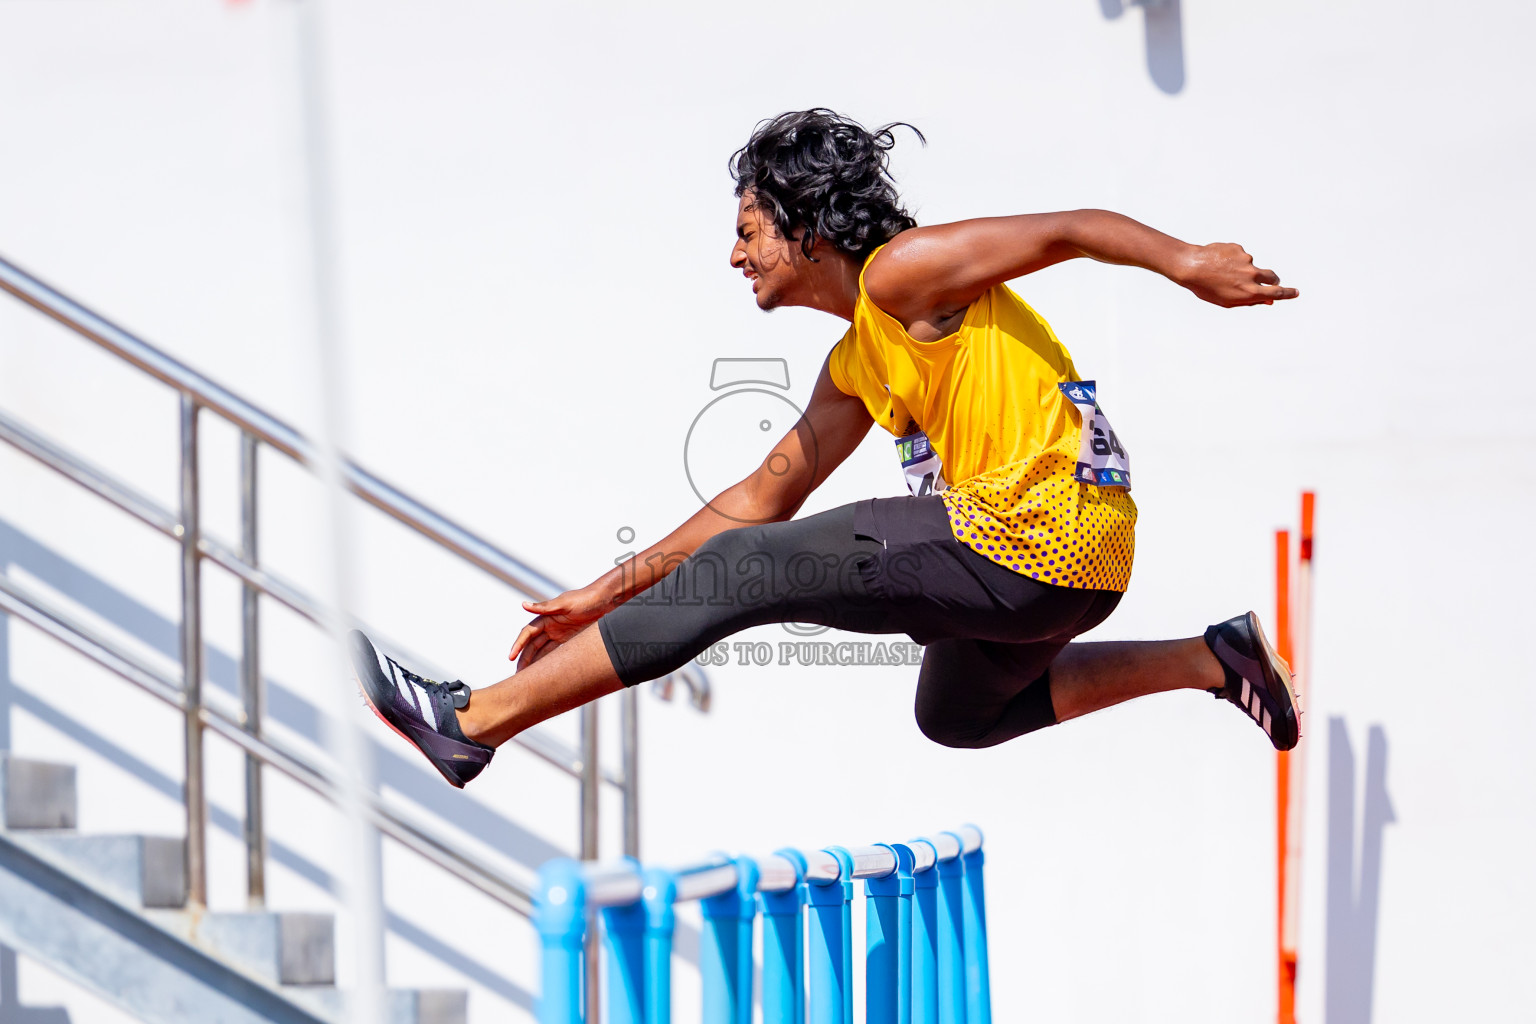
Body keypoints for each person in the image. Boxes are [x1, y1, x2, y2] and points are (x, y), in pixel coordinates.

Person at [348, 109, 1301, 790]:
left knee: (744, 574)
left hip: (1034, 536)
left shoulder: (904, 272)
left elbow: (1066, 230)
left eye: (748, 231)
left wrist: (1187, 262)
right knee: (954, 717)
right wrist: (608, 589)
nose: (735, 257)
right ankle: (1214, 660)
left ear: (807, 226)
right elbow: (762, 496)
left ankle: (472, 722)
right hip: (1078, 572)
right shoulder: (857, 361)